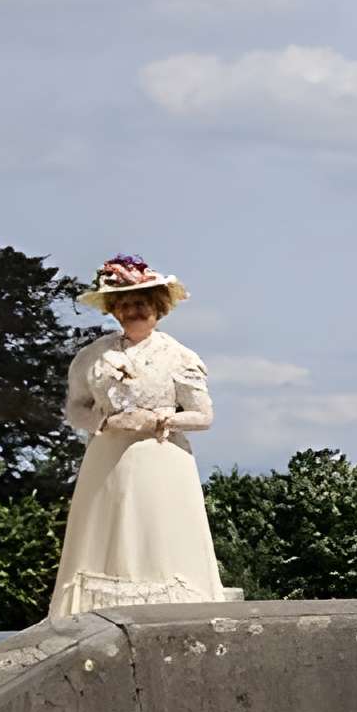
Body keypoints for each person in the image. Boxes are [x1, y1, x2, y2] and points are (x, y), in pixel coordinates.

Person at [48, 254, 223, 616]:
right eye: (124, 304)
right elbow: (76, 409)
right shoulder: (92, 357)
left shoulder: (178, 357)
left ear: (157, 307)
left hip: (160, 459)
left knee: (158, 541)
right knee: (103, 542)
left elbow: (203, 415)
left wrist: (161, 420)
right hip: (106, 460)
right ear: (114, 310)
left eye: (140, 303)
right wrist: (107, 423)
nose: (132, 311)